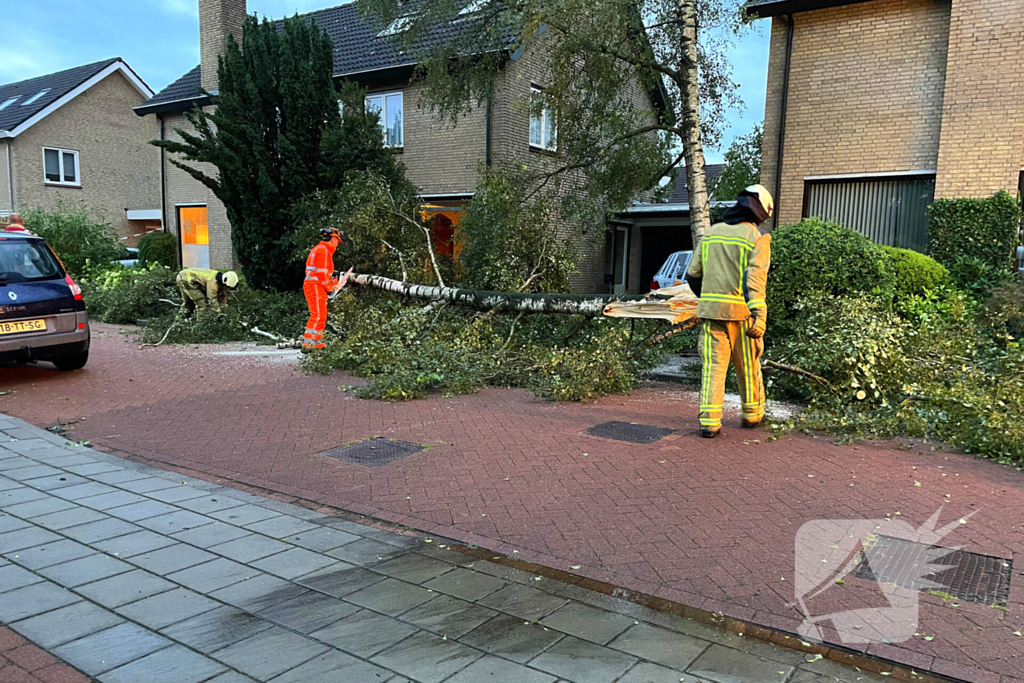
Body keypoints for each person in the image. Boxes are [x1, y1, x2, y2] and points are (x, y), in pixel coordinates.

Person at [685, 184, 773, 438]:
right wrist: (759, 315)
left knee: (713, 368)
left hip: (712, 314)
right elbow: (755, 280)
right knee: (747, 365)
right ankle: (752, 415)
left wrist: (709, 300)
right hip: (742, 316)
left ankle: (710, 423)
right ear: (761, 212)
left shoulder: (712, 233)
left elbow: (693, 275)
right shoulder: (758, 237)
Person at [303, 227, 349, 353]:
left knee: (319, 314)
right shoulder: (323, 251)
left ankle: (311, 342)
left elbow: (325, 273)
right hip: (315, 285)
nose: (337, 245)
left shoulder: (321, 250)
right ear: (334, 239)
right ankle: (312, 343)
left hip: (315, 285)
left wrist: (333, 282)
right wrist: (329, 289)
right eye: (337, 242)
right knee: (318, 315)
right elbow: (322, 275)